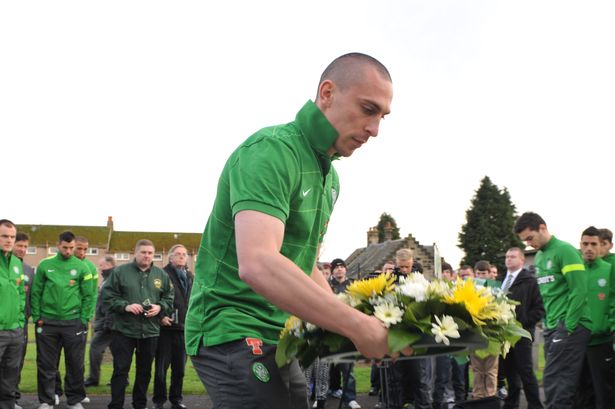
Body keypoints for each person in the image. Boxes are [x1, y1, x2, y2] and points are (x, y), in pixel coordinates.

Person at [184, 52, 394, 409]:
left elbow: (304, 263)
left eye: (382, 117)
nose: (375, 130)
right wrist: (358, 326)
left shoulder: (331, 177)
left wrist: (345, 321)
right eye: (368, 109)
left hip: (277, 331)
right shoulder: (271, 151)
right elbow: (259, 262)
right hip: (229, 325)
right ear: (327, 93)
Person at [513, 212, 591, 409]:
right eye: (525, 241)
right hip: (551, 326)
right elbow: (547, 294)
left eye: (530, 237)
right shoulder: (539, 257)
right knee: (567, 383)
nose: (529, 244)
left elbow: (579, 290)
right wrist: (547, 322)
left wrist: (568, 326)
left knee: (555, 381)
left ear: (542, 227)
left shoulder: (564, 250)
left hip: (570, 325)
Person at [102, 239, 174, 409]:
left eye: (150, 253)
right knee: (120, 370)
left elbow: (169, 298)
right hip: (124, 330)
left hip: (150, 331)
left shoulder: (161, 275)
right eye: (143, 252)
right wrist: (125, 306)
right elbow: (107, 297)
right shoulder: (120, 272)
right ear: (135, 253)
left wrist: (160, 307)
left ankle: (140, 404)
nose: (147, 256)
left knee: (144, 372)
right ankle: (116, 405)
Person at [31, 231, 95, 409]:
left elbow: (88, 296)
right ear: (58, 245)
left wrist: (84, 318)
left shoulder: (83, 268)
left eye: (71, 248)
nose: (68, 251)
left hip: (73, 322)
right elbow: (36, 292)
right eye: (65, 247)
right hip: (48, 322)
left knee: (75, 364)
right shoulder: (45, 265)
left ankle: (74, 401)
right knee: (46, 364)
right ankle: (47, 401)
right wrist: (37, 316)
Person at [574, 227, 614, 409]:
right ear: (580, 246)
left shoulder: (610, 269)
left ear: (601, 247)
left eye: (593, 244)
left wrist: (609, 327)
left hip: (601, 342)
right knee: (579, 393)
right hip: (576, 342)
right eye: (585, 244)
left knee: (604, 393)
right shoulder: (574, 270)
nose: (589, 248)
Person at [500, 247, 544, 409]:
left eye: (512, 256)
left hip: (521, 334)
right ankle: (511, 404)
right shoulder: (502, 280)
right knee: (510, 373)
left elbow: (539, 309)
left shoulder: (530, 281)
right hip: (504, 335)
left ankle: (535, 405)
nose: (508, 259)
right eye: (507, 256)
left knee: (525, 372)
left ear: (522, 260)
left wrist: (523, 322)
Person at [153, 244, 193, 409]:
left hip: (184, 329)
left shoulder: (190, 276)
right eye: (178, 254)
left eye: (184, 254)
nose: (182, 256)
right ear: (170, 257)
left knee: (180, 369)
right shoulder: (162, 274)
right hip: (166, 329)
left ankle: (176, 400)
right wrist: (161, 316)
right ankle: (159, 401)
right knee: (162, 369)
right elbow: (154, 297)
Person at [327, 258, 361, 409]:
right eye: (336, 267)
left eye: (342, 267)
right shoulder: (327, 285)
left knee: (347, 367)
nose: (339, 269)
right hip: (330, 330)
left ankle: (350, 398)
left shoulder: (353, 285)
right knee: (329, 366)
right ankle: (331, 390)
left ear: (346, 269)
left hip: (348, 331)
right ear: (333, 270)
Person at [0, 219, 25, 409]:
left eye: (12, 237)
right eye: (4, 236)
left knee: (10, 378)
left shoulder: (17, 263)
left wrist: (20, 322)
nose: (9, 240)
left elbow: (21, 296)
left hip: (15, 332)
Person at [84, 255, 117, 387]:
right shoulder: (108, 279)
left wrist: (107, 324)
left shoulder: (112, 281)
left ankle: (93, 378)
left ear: (109, 266)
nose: (99, 268)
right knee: (117, 352)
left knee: (95, 349)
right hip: (108, 323)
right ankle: (121, 379)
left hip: (107, 324)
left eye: (101, 266)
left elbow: (110, 304)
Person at [469, 260, 499, 399]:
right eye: (478, 273)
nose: (481, 276)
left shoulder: (496, 290)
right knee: (477, 369)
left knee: (491, 370)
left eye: (484, 273)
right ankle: (478, 397)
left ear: (489, 274)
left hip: (492, 335)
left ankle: (491, 397)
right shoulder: (470, 289)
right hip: (476, 334)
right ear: (475, 274)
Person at [12, 232, 35, 407]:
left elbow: (32, 297)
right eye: (19, 245)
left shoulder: (28, 270)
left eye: (25, 246)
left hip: (22, 325)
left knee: (16, 363)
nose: (22, 249)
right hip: (3, 323)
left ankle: (12, 398)